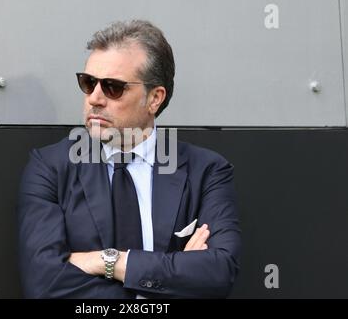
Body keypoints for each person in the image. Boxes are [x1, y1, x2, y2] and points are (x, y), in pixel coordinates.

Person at [17, 20, 241, 298]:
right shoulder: (49, 168)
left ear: (154, 99)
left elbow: (218, 273)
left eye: (113, 87)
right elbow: (43, 284)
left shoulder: (206, 171)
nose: (94, 98)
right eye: (88, 83)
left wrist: (104, 261)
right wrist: (171, 279)